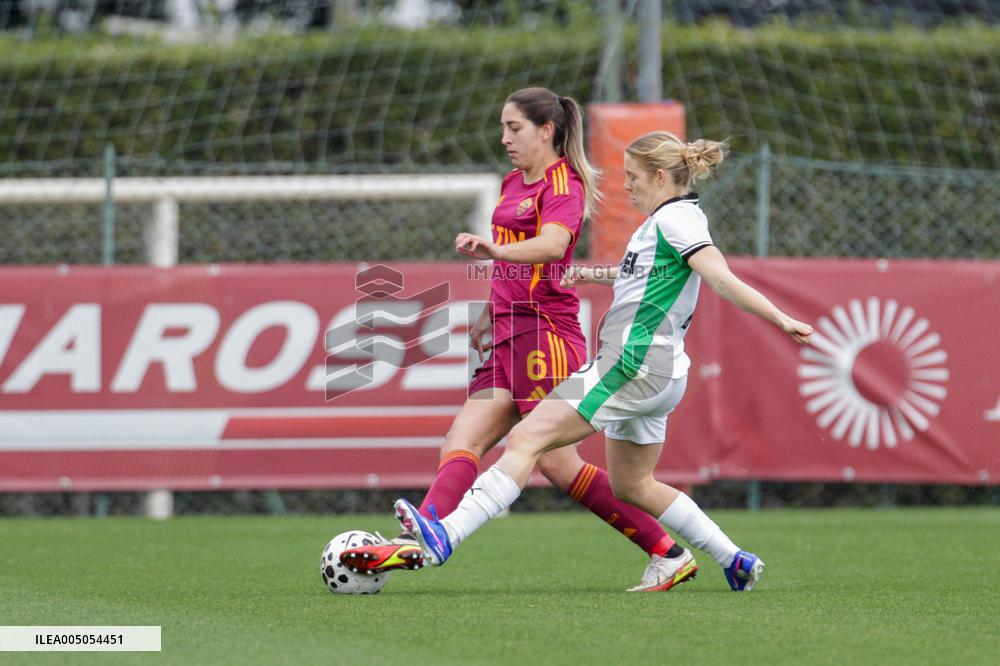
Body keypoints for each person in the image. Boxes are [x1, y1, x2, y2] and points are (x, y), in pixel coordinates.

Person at [393, 131, 815, 592]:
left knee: (526, 439)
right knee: (634, 485)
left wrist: (779, 316)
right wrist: (595, 274)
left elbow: (718, 275)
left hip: (628, 365)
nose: (626, 187)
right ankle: (733, 559)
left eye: (632, 177)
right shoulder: (665, 222)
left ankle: (445, 535)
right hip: (662, 373)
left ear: (659, 176)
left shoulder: (678, 219)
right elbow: (650, 274)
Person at [342, 89, 691, 593]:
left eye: (515, 128)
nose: (505, 138)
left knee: (556, 463)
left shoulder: (564, 183)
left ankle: (667, 551)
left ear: (546, 130)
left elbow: (552, 245)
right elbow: (511, 262)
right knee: (463, 439)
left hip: (544, 333)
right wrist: (489, 309)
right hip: (507, 331)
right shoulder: (512, 182)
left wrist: (491, 248)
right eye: (503, 127)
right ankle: (424, 531)